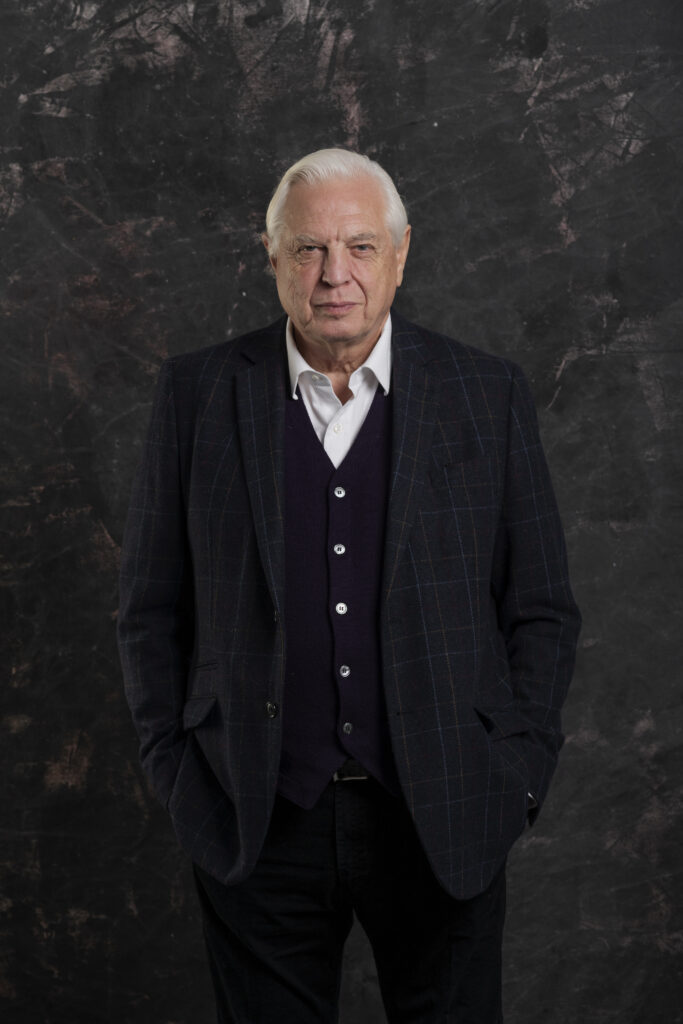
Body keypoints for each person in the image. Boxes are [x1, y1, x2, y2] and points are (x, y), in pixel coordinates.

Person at [118, 148, 581, 1023]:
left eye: (360, 247)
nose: (335, 274)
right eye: (308, 250)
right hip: (255, 814)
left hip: (445, 809)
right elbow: (150, 612)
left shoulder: (487, 394)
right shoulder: (196, 396)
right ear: (271, 256)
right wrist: (176, 773)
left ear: (400, 256)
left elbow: (542, 610)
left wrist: (514, 775)